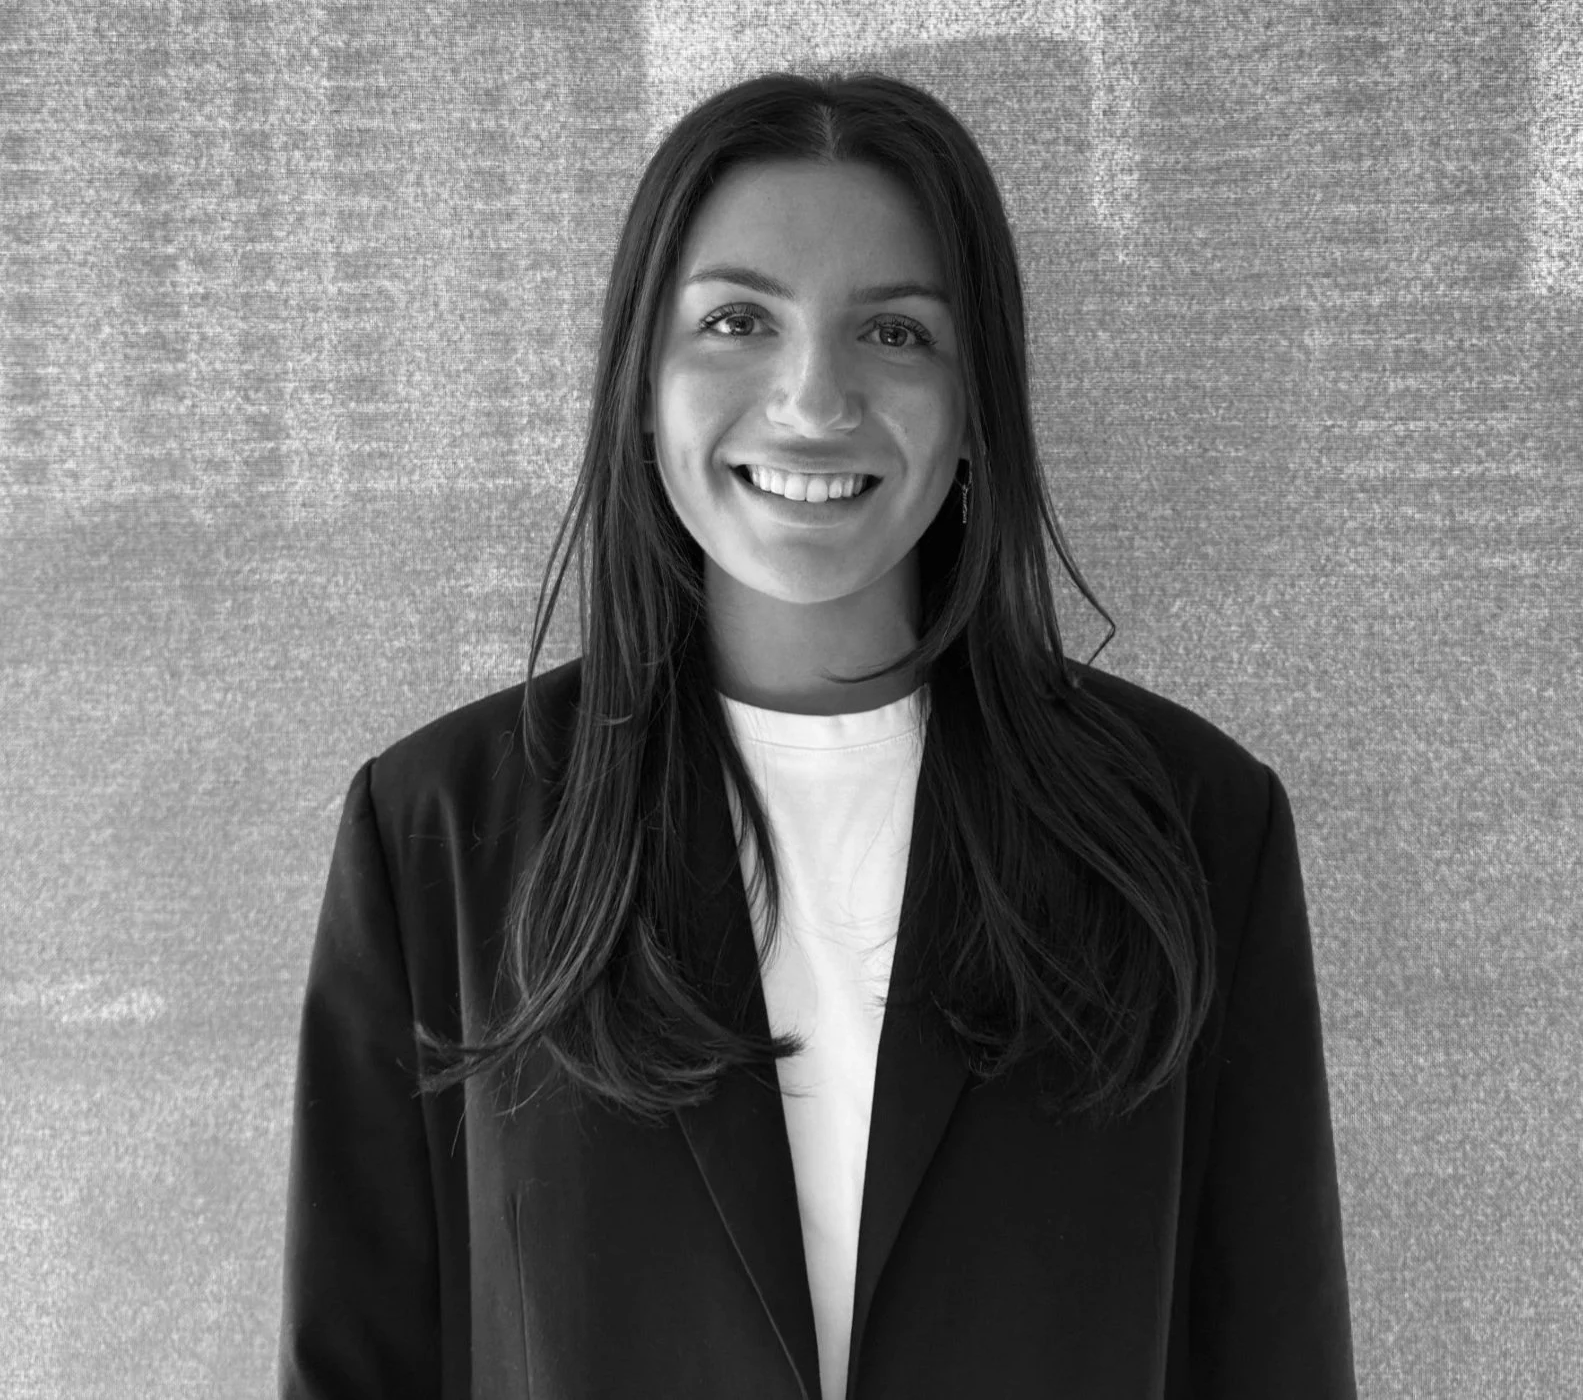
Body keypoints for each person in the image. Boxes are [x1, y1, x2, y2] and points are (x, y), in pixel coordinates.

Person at [278, 70, 1357, 1399]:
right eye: (736, 319)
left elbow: (1271, 1359)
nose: (811, 397)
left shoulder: (1190, 825)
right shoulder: (441, 827)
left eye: (895, 334)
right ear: (641, 381)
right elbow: (357, 1361)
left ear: (976, 405)